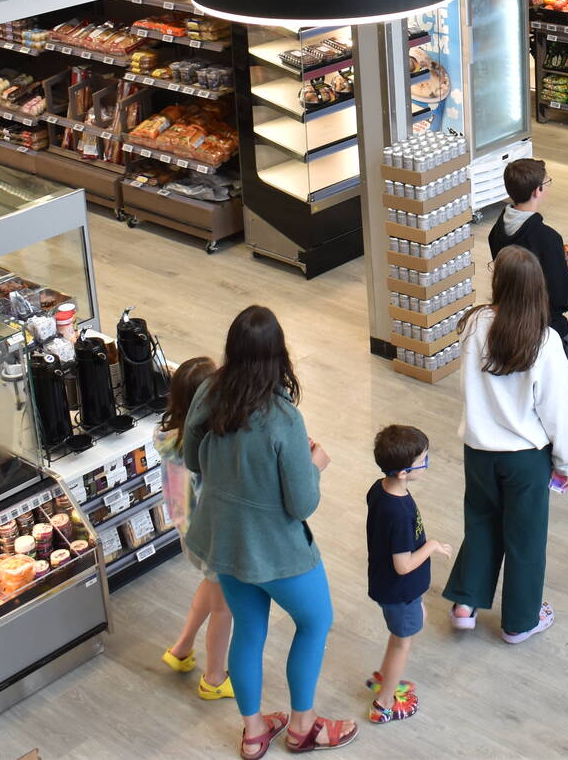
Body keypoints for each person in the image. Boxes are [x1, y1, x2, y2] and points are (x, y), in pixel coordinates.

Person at [184, 305, 356, 756]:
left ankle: (255, 730)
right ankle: (302, 726)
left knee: (249, 631)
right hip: (276, 550)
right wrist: (314, 464)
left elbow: (190, 459)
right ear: (279, 354)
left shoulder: (209, 392)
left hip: (225, 542)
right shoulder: (284, 420)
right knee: (316, 621)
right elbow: (301, 504)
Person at [444, 246, 568, 645]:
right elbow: (558, 411)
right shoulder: (545, 340)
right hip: (525, 459)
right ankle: (519, 621)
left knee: (482, 523)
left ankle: (465, 605)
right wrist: (565, 463)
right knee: (525, 539)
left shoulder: (474, 324)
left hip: (478, 450)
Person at [157, 356, 234, 701]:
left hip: (187, 532)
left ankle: (181, 648)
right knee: (225, 609)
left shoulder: (168, 436)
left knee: (210, 584)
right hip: (213, 537)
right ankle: (214, 678)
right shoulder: (206, 446)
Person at [364, 424, 452, 724]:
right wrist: (431, 546)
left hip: (389, 587)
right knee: (404, 641)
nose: (426, 464)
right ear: (402, 472)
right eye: (422, 461)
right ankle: (385, 702)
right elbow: (403, 565)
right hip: (399, 590)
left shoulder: (380, 488)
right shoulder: (398, 513)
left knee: (402, 631)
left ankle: (385, 677)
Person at [486, 159, 568, 393]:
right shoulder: (547, 239)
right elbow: (561, 299)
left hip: (507, 321)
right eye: (546, 182)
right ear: (537, 190)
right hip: (544, 326)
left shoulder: (496, 231)